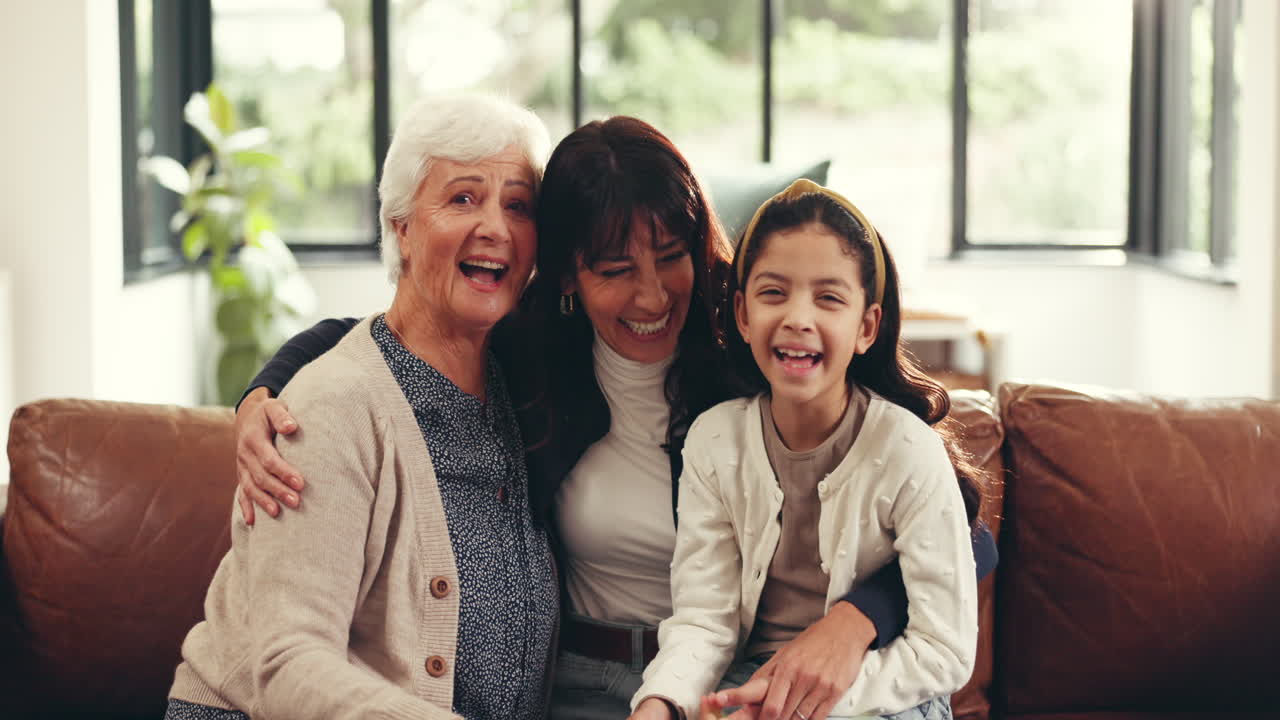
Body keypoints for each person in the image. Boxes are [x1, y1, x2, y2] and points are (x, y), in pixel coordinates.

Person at [233, 118, 997, 720]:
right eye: (613, 269)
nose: (652, 295)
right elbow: (374, 331)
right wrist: (262, 394)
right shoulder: (527, 358)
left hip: (721, 676)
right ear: (567, 271)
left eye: (670, 256)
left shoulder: (756, 352)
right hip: (582, 684)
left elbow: (966, 534)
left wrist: (855, 621)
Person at [164, 94, 558, 720]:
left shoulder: (517, 380)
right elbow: (289, 662)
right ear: (401, 225)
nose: (497, 227)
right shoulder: (329, 409)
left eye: (518, 205)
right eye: (462, 198)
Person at [630, 180, 980, 720]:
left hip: (881, 691)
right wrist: (660, 704)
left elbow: (942, 651)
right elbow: (705, 620)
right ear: (742, 315)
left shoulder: (907, 450)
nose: (798, 316)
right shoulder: (714, 440)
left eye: (829, 298)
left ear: (867, 327)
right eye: (774, 292)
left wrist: (790, 707)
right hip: (751, 685)